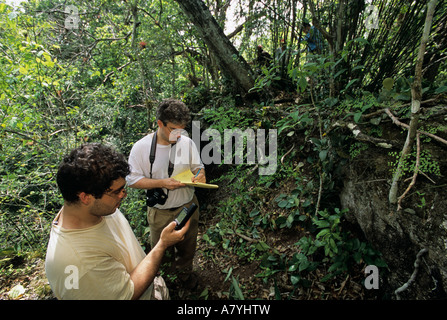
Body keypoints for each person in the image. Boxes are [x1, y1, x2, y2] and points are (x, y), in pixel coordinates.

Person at [45, 143, 189, 300]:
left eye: (123, 188)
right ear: (85, 197)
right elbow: (128, 294)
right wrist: (162, 245)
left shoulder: (96, 209)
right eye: (117, 191)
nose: (123, 195)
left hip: (152, 286)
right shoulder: (79, 262)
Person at [126, 98, 205, 289]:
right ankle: (168, 283)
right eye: (173, 129)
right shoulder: (141, 148)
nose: (178, 135)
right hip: (160, 212)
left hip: (188, 206)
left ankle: (186, 276)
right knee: (163, 251)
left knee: (188, 247)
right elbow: (132, 180)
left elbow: (198, 167)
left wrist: (200, 175)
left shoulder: (186, 143)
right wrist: (162, 183)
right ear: (160, 123)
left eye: (182, 129)